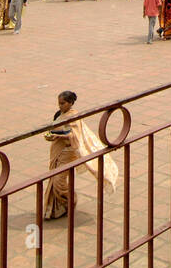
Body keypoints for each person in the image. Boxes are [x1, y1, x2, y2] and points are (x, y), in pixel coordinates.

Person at [43, 91, 119, 219]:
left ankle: (70, 200)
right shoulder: (59, 114)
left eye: (63, 103)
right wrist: (51, 135)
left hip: (68, 152)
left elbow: (74, 135)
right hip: (57, 150)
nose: (60, 106)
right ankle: (57, 208)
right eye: (59, 103)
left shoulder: (74, 117)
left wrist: (58, 135)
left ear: (71, 103)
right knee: (54, 178)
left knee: (59, 181)